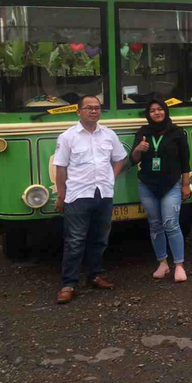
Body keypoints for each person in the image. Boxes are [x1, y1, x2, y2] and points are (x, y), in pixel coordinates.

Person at [54, 95, 128, 304]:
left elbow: (120, 158)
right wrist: (61, 195)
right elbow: (60, 168)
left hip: (103, 194)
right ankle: (69, 284)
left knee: (100, 239)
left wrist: (111, 177)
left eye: (96, 108)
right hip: (77, 194)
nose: (93, 111)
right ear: (79, 111)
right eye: (88, 108)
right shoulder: (68, 137)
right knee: (75, 241)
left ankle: (95, 275)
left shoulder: (109, 134)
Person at [131, 100, 192, 282]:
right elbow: (133, 160)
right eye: (152, 110)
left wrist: (186, 184)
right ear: (148, 114)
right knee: (155, 224)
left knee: (171, 223)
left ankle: (179, 265)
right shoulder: (143, 132)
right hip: (147, 185)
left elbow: (185, 160)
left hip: (171, 184)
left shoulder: (177, 132)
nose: (156, 113)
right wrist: (138, 149)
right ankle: (163, 263)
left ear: (165, 111)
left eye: (159, 110)